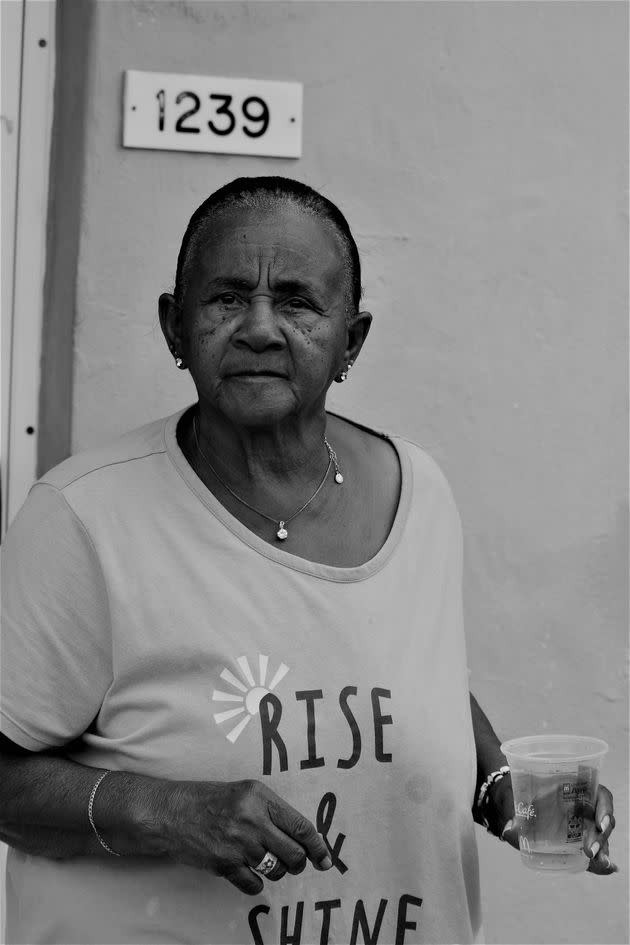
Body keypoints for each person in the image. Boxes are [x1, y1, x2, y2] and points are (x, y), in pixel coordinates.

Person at [0, 176, 616, 945]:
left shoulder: (417, 491)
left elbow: (418, 679)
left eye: (296, 301)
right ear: (174, 326)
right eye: (227, 297)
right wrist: (161, 810)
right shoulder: (83, 517)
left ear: (350, 341)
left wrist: (504, 792)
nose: (259, 327)